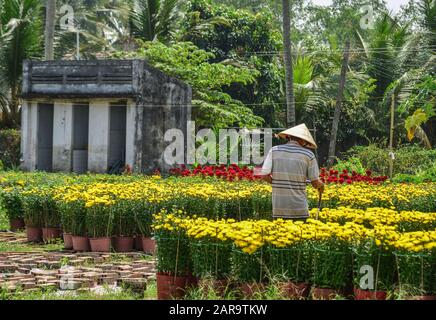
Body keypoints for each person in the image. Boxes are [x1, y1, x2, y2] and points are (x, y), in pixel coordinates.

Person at [259, 124, 324, 221]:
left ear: (289, 137)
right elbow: (315, 183)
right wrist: (321, 185)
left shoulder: (274, 150)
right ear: (303, 140)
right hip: (299, 209)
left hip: (279, 207)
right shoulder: (308, 155)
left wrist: (278, 182)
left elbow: (264, 175)